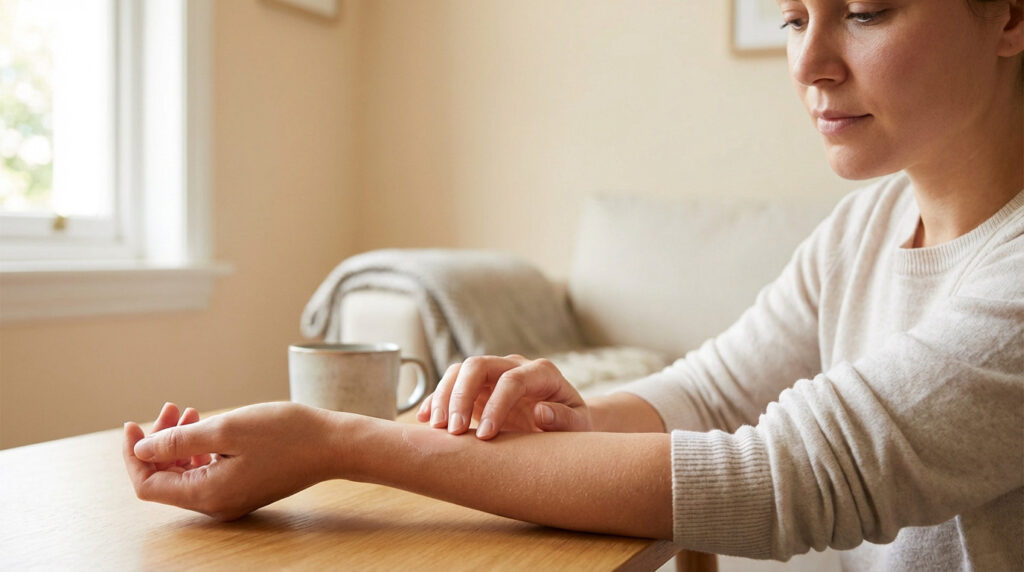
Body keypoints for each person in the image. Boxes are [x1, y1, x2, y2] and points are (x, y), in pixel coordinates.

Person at [123, 0, 1024, 567]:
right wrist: (575, 421)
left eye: (864, 12)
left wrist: (340, 442)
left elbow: (781, 476)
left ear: (1011, 17)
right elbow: (712, 391)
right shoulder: (863, 226)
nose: (809, 60)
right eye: (793, 17)